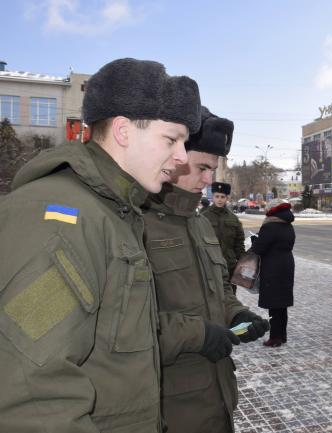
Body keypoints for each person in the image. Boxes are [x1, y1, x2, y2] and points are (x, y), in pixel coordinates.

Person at [0, 58, 201, 432]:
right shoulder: (62, 218)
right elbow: (30, 394)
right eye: (171, 139)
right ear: (123, 131)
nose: (182, 157)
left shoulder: (112, 212)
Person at [142, 106, 268, 433]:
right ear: (173, 156)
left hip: (217, 399)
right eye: (202, 168)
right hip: (170, 409)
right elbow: (123, 327)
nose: (210, 180)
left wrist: (236, 313)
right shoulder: (136, 223)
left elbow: (216, 289)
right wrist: (198, 334)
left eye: (213, 169)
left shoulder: (198, 223)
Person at [251, 198, 296, 347]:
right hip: (287, 265)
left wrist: (254, 240)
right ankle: (282, 335)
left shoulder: (270, 226)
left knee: (274, 303)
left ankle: (275, 337)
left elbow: (259, 248)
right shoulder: (288, 225)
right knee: (282, 303)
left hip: (273, 267)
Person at [202, 181, 245, 295]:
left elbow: (239, 242)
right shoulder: (203, 217)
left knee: (230, 295)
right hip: (210, 264)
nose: (219, 200)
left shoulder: (233, 218)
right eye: (217, 196)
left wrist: (242, 262)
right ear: (213, 197)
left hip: (229, 265)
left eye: (222, 197)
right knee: (212, 296)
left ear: (227, 198)